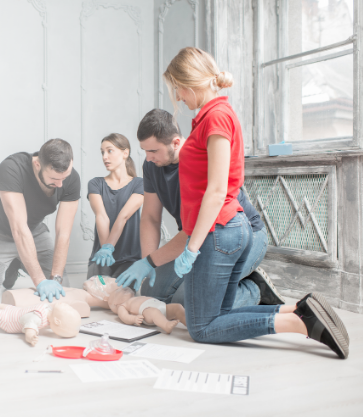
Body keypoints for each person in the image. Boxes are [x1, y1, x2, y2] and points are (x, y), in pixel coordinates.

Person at [120, 47, 349, 358]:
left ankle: (300, 323)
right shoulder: (205, 119)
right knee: (219, 313)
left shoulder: (216, 117)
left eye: (177, 88)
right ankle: (297, 310)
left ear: (189, 83)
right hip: (222, 230)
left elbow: (216, 191)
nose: (178, 97)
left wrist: (191, 247)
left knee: (201, 326)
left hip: (221, 231)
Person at [116, 108, 284, 309]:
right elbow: (151, 217)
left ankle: (254, 289)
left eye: (153, 151)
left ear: (176, 143)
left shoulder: (199, 160)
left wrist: (151, 262)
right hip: (198, 241)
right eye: (145, 151)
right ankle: (223, 286)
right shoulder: (152, 165)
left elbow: (194, 227)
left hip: (243, 237)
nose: (148, 157)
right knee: (153, 294)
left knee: (190, 302)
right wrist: (148, 265)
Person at [0, 139, 80, 307]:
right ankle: (4, 268)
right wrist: (40, 281)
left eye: (64, 178)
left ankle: (21, 260)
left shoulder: (71, 178)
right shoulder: (11, 168)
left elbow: (63, 234)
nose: (60, 185)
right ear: (37, 164)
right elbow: (19, 229)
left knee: (62, 289)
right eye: (53, 179)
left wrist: (55, 279)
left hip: (34, 230)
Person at [88, 133, 144, 279]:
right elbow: (101, 216)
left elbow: (123, 216)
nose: (104, 157)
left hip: (129, 259)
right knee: (98, 295)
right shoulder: (95, 183)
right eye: (102, 152)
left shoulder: (139, 184)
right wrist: (105, 251)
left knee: (119, 295)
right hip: (101, 257)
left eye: (109, 151)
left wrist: (109, 247)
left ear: (125, 153)